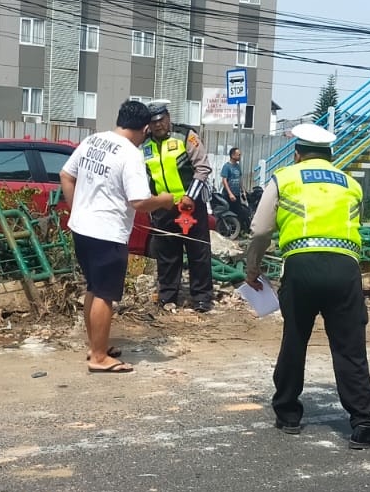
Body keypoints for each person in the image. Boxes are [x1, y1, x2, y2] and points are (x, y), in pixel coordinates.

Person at [244, 123, 370, 449]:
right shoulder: (351, 184)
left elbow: (260, 230)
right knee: (350, 346)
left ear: (297, 154)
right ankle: (363, 424)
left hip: (301, 268)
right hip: (344, 268)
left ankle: (288, 414)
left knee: (295, 339)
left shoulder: (285, 178)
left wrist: (253, 269)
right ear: (331, 155)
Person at [60, 100, 176, 373]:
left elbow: (66, 174)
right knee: (104, 293)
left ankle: (95, 346)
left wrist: (77, 208)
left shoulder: (93, 140)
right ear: (145, 128)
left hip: (81, 227)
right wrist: (165, 200)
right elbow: (139, 201)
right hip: (107, 232)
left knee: (93, 287)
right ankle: (99, 358)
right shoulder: (131, 153)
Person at [142, 104, 215, 311]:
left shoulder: (185, 136)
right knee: (166, 253)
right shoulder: (144, 144)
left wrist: (190, 196)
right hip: (163, 207)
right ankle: (168, 296)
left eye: (161, 119)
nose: (158, 125)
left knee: (198, 251)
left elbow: (202, 167)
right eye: (154, 122)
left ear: (168, 117)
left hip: (191, 205)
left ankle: (201, 298)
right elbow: (145, 175)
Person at [219, 146, 250, 233]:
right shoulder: (226, 166)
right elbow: (224, 181)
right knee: (229, 213)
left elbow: (239, 179)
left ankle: (238, 231)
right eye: (238, 155)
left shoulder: (237, 166)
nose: (240, 156)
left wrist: (243, 191)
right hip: (228, 195)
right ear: (233, 155)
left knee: (239, 212)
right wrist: (230, 194)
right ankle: (227, 231)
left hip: (236, 194)